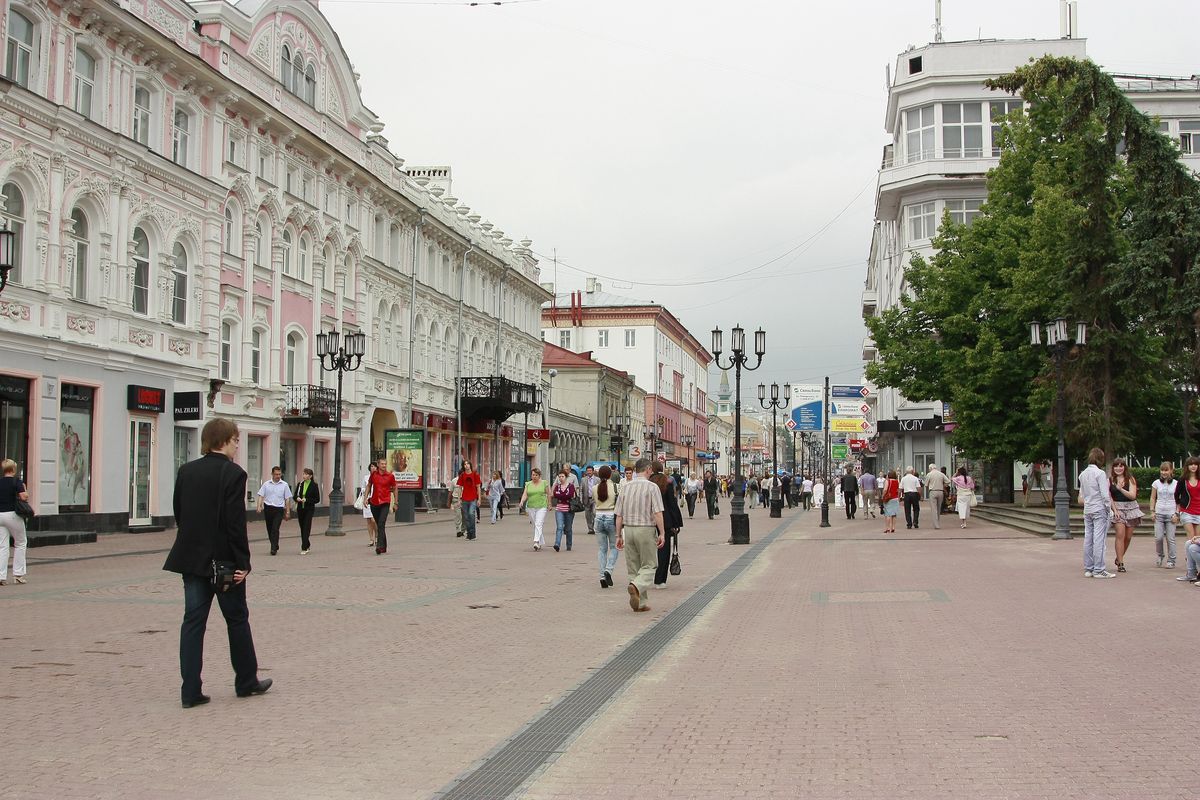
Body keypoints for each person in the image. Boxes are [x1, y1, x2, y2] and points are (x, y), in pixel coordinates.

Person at [163, 418, 271, 708]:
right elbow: (235, 523)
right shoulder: (233, 474)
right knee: (236, 620)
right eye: (235, 440)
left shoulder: (186, 471)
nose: (237, 446)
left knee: (193, 622)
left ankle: (190, 691)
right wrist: (243, 562)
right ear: (223, 441)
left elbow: (180, 512)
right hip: (224, 563)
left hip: (191, 559)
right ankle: (246, 681)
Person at [615, 458, 665, 613]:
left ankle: (640, 603)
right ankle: (636, 586)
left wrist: (618, 535)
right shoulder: (652, 487)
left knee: (634, 567)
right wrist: (662, 532)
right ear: (648, 469)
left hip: (628, 529)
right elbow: (657, 513)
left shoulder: (625, 487)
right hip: (645, 529)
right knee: (650, 565)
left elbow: (618, 515)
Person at [1079, 448, 1117, 578]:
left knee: (1088, 538)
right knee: (1099, 539)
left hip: (1088, 509)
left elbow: (1082, 495)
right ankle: (1099, 569)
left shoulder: (1083, 474)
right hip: (1099, 508)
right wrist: (1108, 509)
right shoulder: (1100, 474)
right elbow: (1105, 495)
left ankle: (1089, 567)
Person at [651, 462, 683, 588]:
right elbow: (672, 503)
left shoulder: (649, 482)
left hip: (649, 519)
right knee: (664, 549)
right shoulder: (667, 482)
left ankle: (644, 576)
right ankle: (660, 580)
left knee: (647, 550)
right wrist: (677, 522)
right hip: (665, 519)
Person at [0, 459, 29, 586]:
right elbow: (23, 497)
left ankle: (1, 576)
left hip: (0, 515)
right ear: (13, 470)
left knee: (2, 546)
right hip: (12, 515)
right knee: (21, 542)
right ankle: (18, 574)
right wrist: (25, 490)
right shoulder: (16, 481)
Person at [1109, 458, 1142, 573]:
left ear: (1124, 467)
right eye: (1116, 466)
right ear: (1113, 468)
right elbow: (1109, 497)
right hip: (1117, 509)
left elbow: (1133, 496)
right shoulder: (1109, 480)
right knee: (1120, 534)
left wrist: (1121, 489)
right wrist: (1115, 510)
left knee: (1128, 537)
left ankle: (1119, 558)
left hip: (1131, 508)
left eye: (1121, 466)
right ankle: (1121, 563)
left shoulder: (1130, 479)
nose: (1118, 468)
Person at [255, 466, 291, 555]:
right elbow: (261, 495)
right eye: (276, 474)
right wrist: (259, 506)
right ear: (272, 474)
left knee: (275, 528)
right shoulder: (266, 484)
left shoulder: (284, 485)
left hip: (279, 509)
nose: (278, 476)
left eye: (279, 474)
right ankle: (274, 543)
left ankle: (273, 548)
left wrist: (287, 511)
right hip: (268, 508)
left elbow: (287, 499)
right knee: (269, 528)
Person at [594, 465, 620, 588]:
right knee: (615, 547)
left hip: (598, 516)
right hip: (611, 516)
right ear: (610, 475)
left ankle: (602, 576)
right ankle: (608, 570)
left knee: (602, 549)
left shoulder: (595, 488)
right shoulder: (615, 487)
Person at [1149, 461, 1178, 569]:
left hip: (1171, 514)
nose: (1164, 472)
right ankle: (1160, 555)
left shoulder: (1176, 483)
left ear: (1171, 471)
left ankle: (1171, 560)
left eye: (1166, 470)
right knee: (1158, 537)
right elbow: (1153, 497)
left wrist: (1177, 514)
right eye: (1162, 470)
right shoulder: (1156, 483)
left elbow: (1178, 500)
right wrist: (1152, 511)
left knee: (1170, 538)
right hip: (1159, 513)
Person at [1177, 457, 1200, 584]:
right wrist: (1178, 510)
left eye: (1195, 464)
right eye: (1191, 464)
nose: (1193, 466)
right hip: (1187, 512)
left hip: (1199, 512)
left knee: (1197, 540)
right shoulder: (1182, 480)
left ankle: (1194, 570)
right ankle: (1191, 571)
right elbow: (1177, 495)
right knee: (1191, 540)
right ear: (1187, 466)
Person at [367, 457, 397, 554]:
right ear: (378, 465)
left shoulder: (390, 476)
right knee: (380, 525)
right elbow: (369, 485)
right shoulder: (374, 475)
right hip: (374, 502)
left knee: (381, 523)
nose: (384, 466)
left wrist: (396, 502)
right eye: (382, 464)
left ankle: (379, 547)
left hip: (385, 502)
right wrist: (365, 498)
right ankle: (384, 546)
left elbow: (395, 488)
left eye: (385, 464)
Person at [519, 468, 549, 550]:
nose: (534, 476)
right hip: (531, 507)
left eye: (536, 475)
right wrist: (522, 501)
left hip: (542, 506)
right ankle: (540, 542)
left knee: (538, 523)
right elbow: (525, 494)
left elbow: (548, 494)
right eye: (533, 475)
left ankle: (536, 542)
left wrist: (549, 504)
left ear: (539, 476)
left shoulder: (544, 483)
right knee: (536, 524)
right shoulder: (528, 484)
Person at [292, 468, 321, 555]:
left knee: (306, 527)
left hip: (309, 509)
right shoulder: (300, 484)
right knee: (302, 527)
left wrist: (307, 499)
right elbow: (294, 495)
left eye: (306, 474)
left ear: (310, 476)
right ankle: (307, 544)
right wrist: (297, 498)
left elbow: (317, 499)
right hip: (300, 509)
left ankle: (304, 547)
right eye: (303, 474)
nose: (304, 476)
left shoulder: (314, 485)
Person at [456, 460, 482, 541]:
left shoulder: (475, 475)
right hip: (464, 499)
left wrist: (479, 499)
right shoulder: (462, 475)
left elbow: (478, 487)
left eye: (468, 464)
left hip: (473, 498)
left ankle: (473, 534)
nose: (466, 465)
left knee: (471, 514)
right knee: (466, 517)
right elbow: (460, 488)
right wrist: (459, 499)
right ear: (463, 466)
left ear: (470, 465)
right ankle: (469, 534)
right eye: (465, 464)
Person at [552, 468, 577, 552]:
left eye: (562, 476)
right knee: (559, 527)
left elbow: (569, 495)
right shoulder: (557, 487)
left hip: (569, 510)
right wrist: (563, 495)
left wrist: (561, 495)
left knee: (568, 528)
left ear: (566, 477)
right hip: (559, 509)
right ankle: (557, 544)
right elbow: (555, 494)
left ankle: (569, 545)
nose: (560, 478)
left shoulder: (571, 486)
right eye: (559, 477)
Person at [924, 464, 950, 530]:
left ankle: (936, 525)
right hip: (940, 491)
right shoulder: (941, 474)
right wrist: (943, 485)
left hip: (933, 491)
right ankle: (937, 522)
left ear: (930, 468)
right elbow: (948, 481)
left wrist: (930, 485)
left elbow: (926, 485)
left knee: (933, 509)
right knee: (938, 508)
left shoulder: (929, 474)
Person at [361, 462, 379, 548]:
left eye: (375, 466)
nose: (373, 468)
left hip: (375, 500)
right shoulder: (366, 477)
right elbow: (363, 488)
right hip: (367, 500)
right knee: (368, 520)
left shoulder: (379, 477)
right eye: (371, 466)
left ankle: (377, 536)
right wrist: (365, 495)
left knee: (374, 520)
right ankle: (371, 539)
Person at [582, 465, 599, 535]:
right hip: (586, 499)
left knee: (594, 513)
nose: (589, 472)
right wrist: (581, 499)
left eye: (590, 471)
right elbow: (581, 490)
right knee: (588, 515)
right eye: (588, 471)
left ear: (593, 471)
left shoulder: (597, 479)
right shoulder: (583, 479)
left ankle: (594, 526)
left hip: (594, 499)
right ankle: (590, 528)